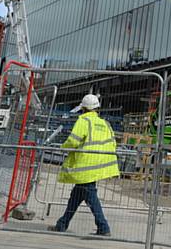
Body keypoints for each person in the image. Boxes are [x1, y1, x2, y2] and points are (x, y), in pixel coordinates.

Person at [48, 94, 119, 236]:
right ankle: (62, 224)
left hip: (86, 166)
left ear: (83, 108)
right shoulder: (105, 123)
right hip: (100, 165)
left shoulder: (83, 121)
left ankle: (103, 227)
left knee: (91, 196)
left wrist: (63, 147)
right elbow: (113, 144)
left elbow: (74, 141)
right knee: (76, 196)